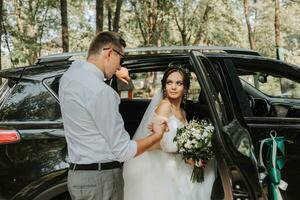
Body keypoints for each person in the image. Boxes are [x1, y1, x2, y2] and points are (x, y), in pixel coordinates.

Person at [59, 31, 166, 200]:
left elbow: (81, 68)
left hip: (77, 178)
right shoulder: (102, 93)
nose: (119, 66)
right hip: (101, 180)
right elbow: (123, 151)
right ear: (109, 53)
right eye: (120, 59)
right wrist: (157, 136)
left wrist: (109, 73)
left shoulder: (69, 77)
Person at [123, 66, 216, 200]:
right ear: (164, 86)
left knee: (210, 169)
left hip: (176, 162)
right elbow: (153, 143)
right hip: (160, 166)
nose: (173, 87)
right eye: (169, 82)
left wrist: (193, 153)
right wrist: (187, 155)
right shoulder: (164, 107)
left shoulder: (183, 112)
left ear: (185, 88)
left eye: (179, 83)